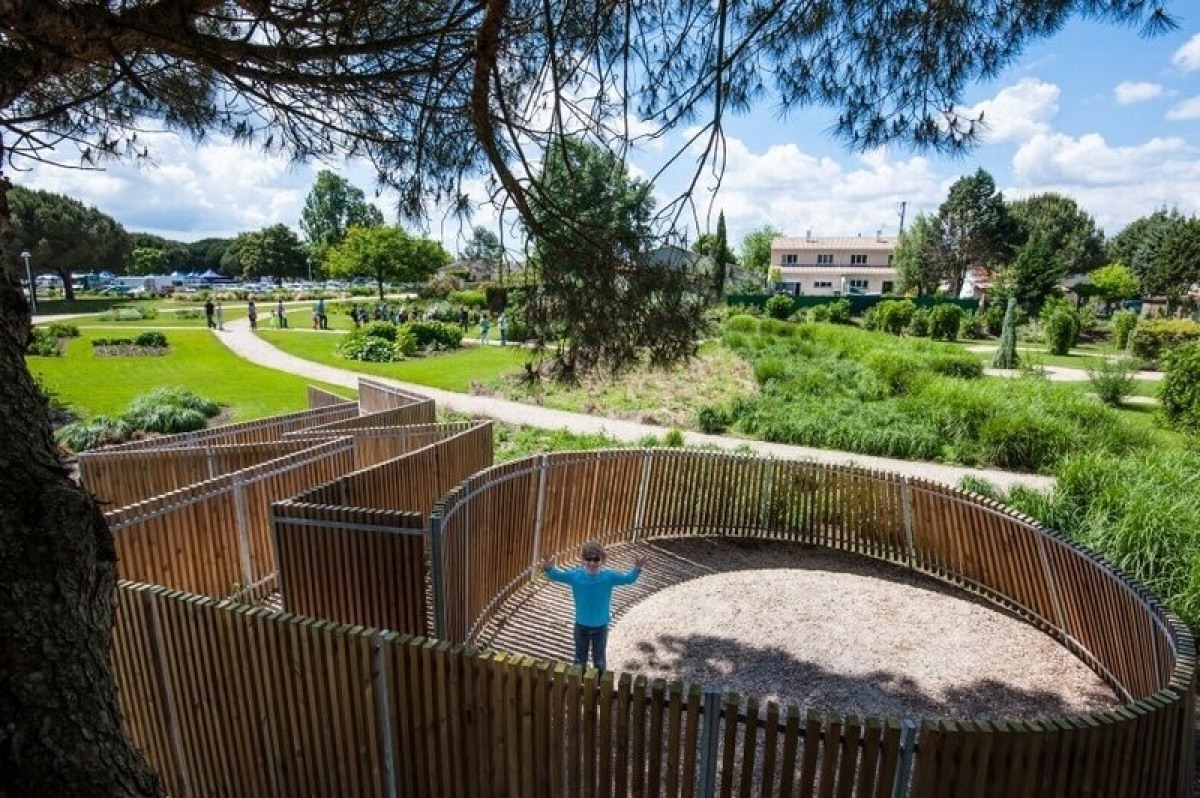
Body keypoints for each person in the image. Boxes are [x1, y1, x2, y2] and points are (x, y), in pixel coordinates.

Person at [541, 542, 647, 672]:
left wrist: (637, 569)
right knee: (580, 660)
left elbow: (628, 579)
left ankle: (599, 688)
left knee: (599, 661)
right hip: (581, 626)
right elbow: (555, 575)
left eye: (596, 559)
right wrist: (548, 564)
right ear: (583, 560)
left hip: (601, 627)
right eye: (588, 559)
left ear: (603, 560)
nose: (592, 563)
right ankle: (578, 686)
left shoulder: (608, 576)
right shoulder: (576, 576)